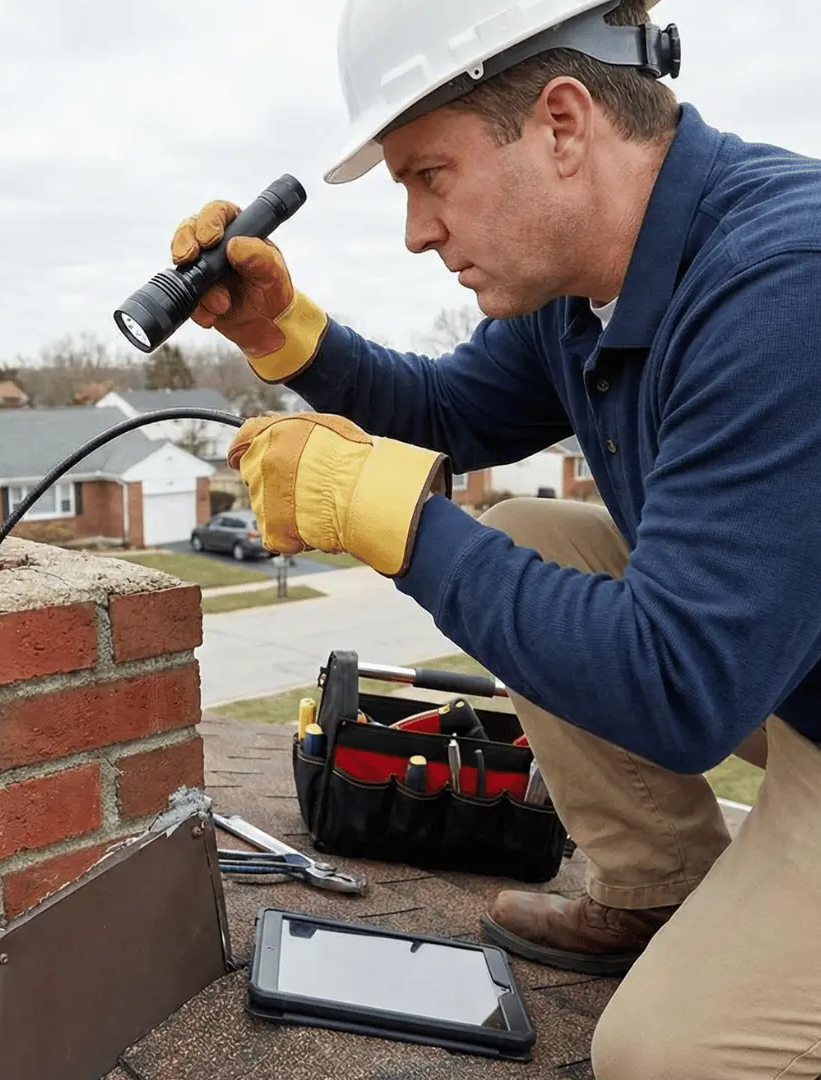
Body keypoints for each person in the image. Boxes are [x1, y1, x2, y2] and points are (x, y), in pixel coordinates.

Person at [170, 1, 821, 1076]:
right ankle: (660, 889)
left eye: (430, 175)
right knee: (531, 531)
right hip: (788, 665)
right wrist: (284, 334)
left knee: (668, 1055)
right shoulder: (586, 292)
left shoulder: (783, 282)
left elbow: (680, 689)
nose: (418, 230)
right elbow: (448, 411)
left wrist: (395, 521)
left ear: (562, 125)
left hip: (757, 680)